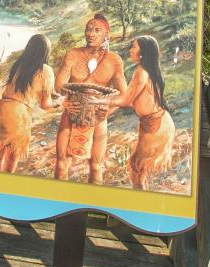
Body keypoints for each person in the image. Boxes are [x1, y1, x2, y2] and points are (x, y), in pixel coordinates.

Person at [53, 13, 127, 184]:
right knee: (62, 163)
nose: (90, 34)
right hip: (71, 115)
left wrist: (107, 111)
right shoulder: (72, 54)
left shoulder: (114, 60)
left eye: (96, 30)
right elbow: (59, 86)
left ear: (106, 35)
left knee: (95, 166)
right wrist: (65, 103)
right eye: (88, 29)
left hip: (98, 120)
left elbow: (125, 95)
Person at [113, 35, 175, 190]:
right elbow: (128, 99)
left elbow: (126, 100)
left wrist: (99, 102)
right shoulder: (145, 71)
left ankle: (140, 203)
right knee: (136, 171)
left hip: (156, 125)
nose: (130, 50)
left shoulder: (141, 73)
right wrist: (105, 110)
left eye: (134, 47)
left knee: (138, 171)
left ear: (143, 52)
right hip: (153, 123)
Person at [0, 35, 57, 173]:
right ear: (45, 52)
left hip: (2, 109)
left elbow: (29, 88)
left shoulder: (19, 65)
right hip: (19, 114)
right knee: (11, 158)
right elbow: (45, 104)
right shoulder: (46, 71)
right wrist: (60, 102)